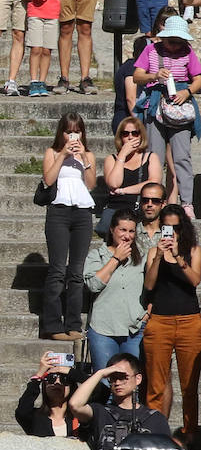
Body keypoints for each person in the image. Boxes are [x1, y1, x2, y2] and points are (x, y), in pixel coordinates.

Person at [142, 205, 201, 444]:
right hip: (160, 321)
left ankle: (190, 435)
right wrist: (158, 256)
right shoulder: (153, 252)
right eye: (167, 227)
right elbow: (149, 285)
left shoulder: (193, 250)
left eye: (176, 227)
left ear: (183, 227)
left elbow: (195, 281)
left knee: (189, 385)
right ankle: (155, 434)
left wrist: (177, 256)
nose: (171, 232)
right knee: (156, 383)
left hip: (190, 321)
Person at [134, 15, 201, 215]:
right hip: (156, 105)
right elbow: (137, 75)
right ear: (164, 38)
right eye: (172, 41)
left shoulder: (188, 53)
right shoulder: (150, 50)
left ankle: (187, 203)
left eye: (179, 42)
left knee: (182, 157)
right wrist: (154, 76)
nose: (175, 46)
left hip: (180, 106)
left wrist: (187, 92)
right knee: (155, 156)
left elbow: (198, 78)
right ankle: (153, 200)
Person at [40, 111, 97, 340]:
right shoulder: (52, 152)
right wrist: (63, 154)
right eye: (69, 131)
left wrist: (84, 160)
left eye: (77, 131)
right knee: (57, 270)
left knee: (76, 272)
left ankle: (74, 324)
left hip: (82, 214)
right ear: (62, 133)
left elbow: (91, 185)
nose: (73, 136)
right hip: (58, 213)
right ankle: (53, 326)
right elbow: (48, 179)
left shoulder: (88, 155)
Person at [84, 208, 148, 367]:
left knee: (132, 383)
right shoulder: (97, 255)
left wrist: (148, 313)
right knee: (106, 382)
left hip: (134, 329)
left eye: (131, 231)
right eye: (123, 230)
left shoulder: (143, 257)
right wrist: (115, 259)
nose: (127, 236)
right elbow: (93, 285)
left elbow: (154, 287)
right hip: (103, 329)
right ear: (112, 229)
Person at [102, 116, 162, 222]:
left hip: (141, 209)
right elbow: (114, 184)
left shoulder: (151, 157)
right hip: (117, 210)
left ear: (141, 136)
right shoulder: (111, 159)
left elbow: (153, 183)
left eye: (135, 133)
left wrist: (123, 191)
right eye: (125, 134)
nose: (130, 137)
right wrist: (122, 155)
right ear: (120, 137)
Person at [14, 354, 83, 438]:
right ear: (44, 385)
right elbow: (22, 411)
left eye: (64, 379)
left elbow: (100, 392)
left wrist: (72, 373)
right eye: (51, 379)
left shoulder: (82, 417)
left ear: (71, 386)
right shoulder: (36, 418)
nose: (57, 383)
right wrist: (38, 376)